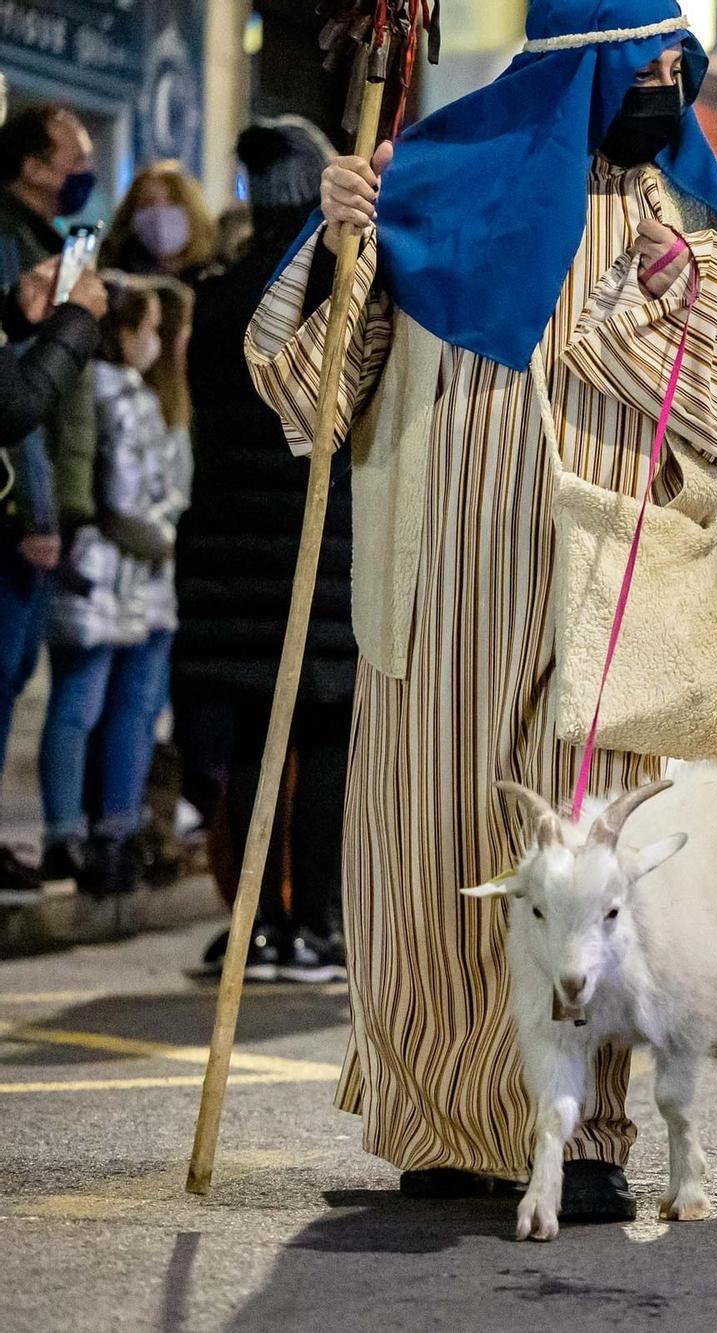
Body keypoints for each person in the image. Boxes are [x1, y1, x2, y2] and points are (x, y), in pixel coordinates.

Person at [249, 0, 717, 1219]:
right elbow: (315, 391)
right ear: (581, 66)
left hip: (601, 598)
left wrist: (664, 309)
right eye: (654, 56)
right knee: (428, 854)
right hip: (437, 590)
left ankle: (589, 1133)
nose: (675, 77)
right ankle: (444, 1122)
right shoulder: (425, 188)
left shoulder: (688, 221)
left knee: (590, 864)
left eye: (681, 60)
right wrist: (336, 246)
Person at [177, 117, 353, 983]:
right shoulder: (336, 284)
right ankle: (312, 925)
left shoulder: (217, 293)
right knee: (323, 730)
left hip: (228, 546)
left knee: (255, 732)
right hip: (320, 542)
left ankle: (250, 921)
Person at [37, 277, 190, 898]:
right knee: (95, 705)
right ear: (121, 335)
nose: (155, 341)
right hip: (112, 576)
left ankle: (96, 830)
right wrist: (164, 540)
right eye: (148, 328)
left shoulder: (125, 394)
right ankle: (88, 832)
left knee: (115, 708)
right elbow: (128, 496)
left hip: (127, 583)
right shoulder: (118, 398)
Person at [0, 104, 106, 897]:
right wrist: (37, 513)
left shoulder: (38, 243)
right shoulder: (8, 232)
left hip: (37, 509)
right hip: (16, 511)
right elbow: (12, 406)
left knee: (13, 676)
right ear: (33, 165)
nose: (85, 167)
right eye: (74, 154)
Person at [100, 161, 219, 281]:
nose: (160, 214)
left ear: (194, 211)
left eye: (173, 202)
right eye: (148, 203)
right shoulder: (113, 277)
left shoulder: (214, 279)